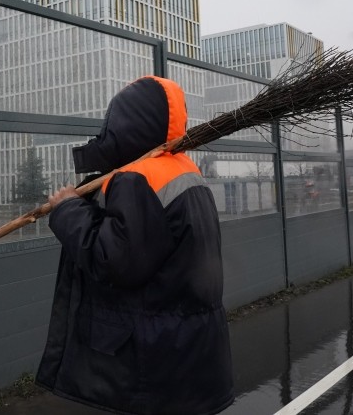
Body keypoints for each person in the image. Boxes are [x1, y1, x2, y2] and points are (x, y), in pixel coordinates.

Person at [36, 76, 234, 414]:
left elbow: (113, 261)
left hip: (153, 365)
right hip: (186, 353)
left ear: (128, 124)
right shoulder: (182, 169)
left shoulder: (138, 178)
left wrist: (67, 209)